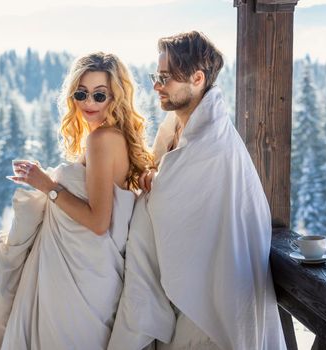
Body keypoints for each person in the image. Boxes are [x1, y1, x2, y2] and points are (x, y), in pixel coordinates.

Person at [108, 31, 287, 350]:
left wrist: (156, 183)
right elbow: (166, 182)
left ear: (197, 78)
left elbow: (170, 200)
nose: (156, 85)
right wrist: (154, 178)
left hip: (213, 294)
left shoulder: (214, 143)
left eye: (165, 77)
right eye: (156, 75)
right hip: (187, 288)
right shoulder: (177, 127)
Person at [0, 52, 154, 350]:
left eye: (100, 95)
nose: (89, 103)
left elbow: (98, 222)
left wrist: (47, 186)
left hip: (79, 280)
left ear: (117, 97)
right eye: (81, 93)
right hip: (86, 274)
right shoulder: (116, 138)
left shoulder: (100, 141)